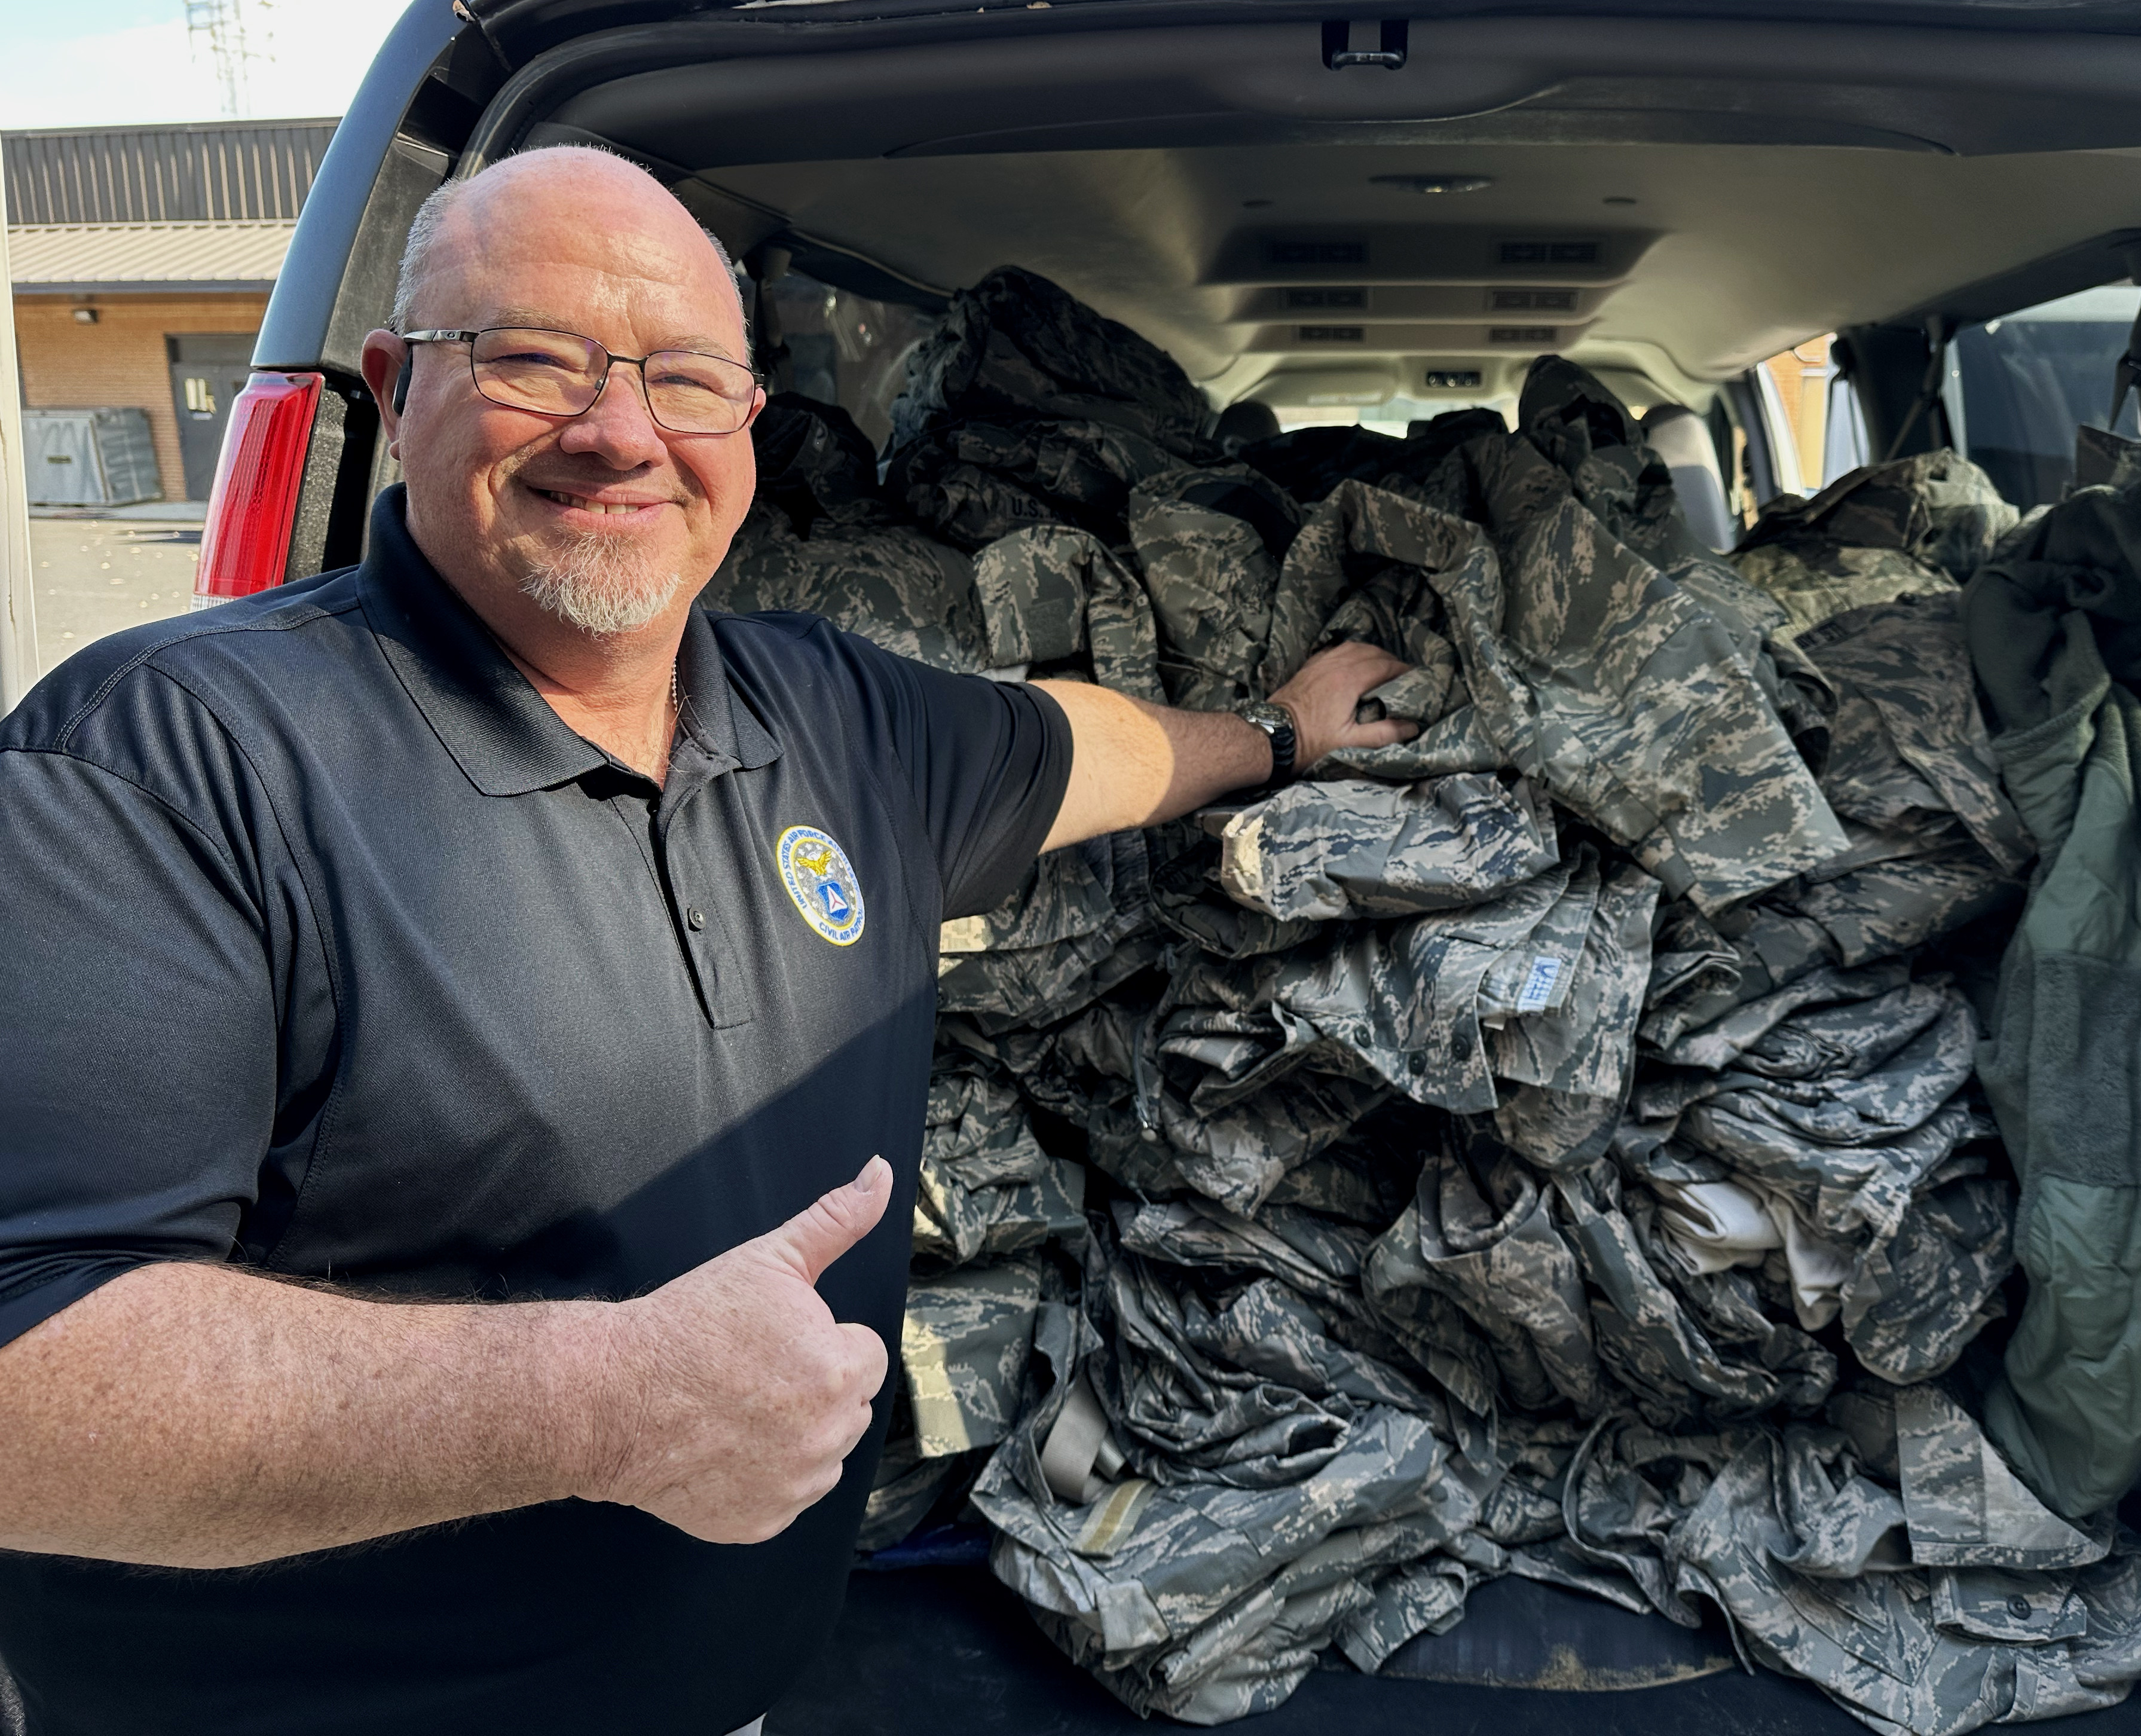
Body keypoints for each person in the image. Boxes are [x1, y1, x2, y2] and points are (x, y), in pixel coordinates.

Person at [0, 146, 1415, 1736]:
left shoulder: (832, 713)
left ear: (748, 424)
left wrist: (1277, 735)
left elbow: (1071, 750)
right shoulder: (162, 762)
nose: (621, 433)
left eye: (684, 378)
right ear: (395, 392)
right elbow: (24, 1368)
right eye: (536, 359)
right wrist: (597, 1405)